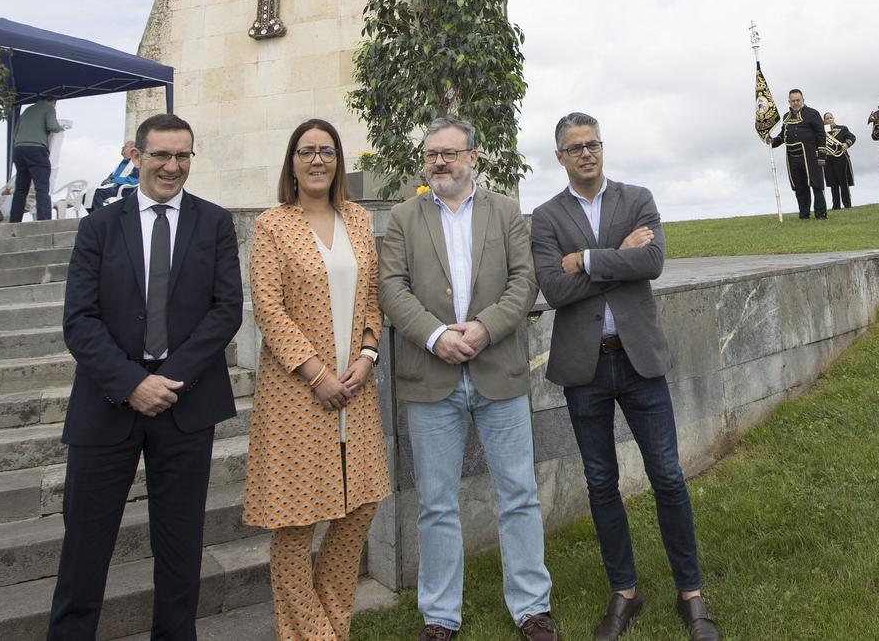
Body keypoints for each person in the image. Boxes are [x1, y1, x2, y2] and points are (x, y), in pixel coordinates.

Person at [48, 114, 243, 640]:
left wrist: (169, 379)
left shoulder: (214, 223)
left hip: (186, 405)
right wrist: (133, 383)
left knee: (180, 552)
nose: (172, 166)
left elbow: (226, 311)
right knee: (84, 551)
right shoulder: (98, 227)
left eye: (183, 156)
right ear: (137, 155)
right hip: (107, 405)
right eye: (161, 155)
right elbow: (79, 319)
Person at [531, 113, 721, 641]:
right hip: (584, 368)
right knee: (600, 483)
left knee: (667, 476)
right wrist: (619, 257)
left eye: (593, 144)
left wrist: (586, 259)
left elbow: (654, 262)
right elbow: (554, 289)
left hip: (640, 362)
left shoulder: (638, 198)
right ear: (560, 157)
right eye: (574, 148)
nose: (586, 153)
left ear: (602, 148)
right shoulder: (545, 218)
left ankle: (692, 594)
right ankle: (625, 591)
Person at [376, 120, 558, 641]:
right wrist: (436, 336)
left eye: (450, 153)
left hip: (497, 371)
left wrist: (484, 329)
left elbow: (525, 281)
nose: (439, 162)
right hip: (431, 377)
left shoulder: (504, 212)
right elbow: (392, 289)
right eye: (432, 154)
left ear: (473, 158)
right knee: (435, 503)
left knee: (519, 494)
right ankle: (440, 616)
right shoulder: (405, 217)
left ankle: (531, 608)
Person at [243, 119, 391, 641]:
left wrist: (369, 354)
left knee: (363, 503)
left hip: (357, 386)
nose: (317, 160)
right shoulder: (272, 225)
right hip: (296, 394)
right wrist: (315, 374)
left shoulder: (357, 219)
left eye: (326, 151)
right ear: (292, 161)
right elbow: (269, 308)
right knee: (294, 522)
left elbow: (372, 297)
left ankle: (332, 622)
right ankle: (310, 633)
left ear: (338, 161)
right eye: (306, 151)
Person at [766, 89, 828, 219]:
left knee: (816, 185)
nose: (795, 103)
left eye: (798, 100)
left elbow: (821, 135)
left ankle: (820, 214)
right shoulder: (786, 117)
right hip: (792, 157)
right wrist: (773, 141)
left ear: (803, 100)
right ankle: (804, 214)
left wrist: (822, 155)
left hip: (810, 155)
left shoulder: (813, 114)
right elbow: (783, 136)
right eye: (793, 100)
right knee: (799, 187)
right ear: (789, 101)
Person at [11, 98, 70, 222]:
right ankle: (44, 222)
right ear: (53, 102)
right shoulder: (49, 109)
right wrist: (61, 127)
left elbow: (15, 133)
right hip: (36, 150)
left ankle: (14, 221)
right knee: (42, 187)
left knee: (21, 189)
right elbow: (52, 126)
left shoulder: (27, 110)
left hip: (19, 149)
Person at [820, 112, 857, 210]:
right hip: (828, 158)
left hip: (840, 157)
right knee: (833, 183)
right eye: (827, 118)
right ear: (824, 121)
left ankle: (847, 204)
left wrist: (846, 144)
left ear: (834, 118)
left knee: (843, 181)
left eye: (831, 118)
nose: (829, 120)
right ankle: (836, 206)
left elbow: (852, 137)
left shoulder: (842, 128)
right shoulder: (821, 131)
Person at [91, 141, 141, 211]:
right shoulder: (123, 162)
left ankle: (99, 217)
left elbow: (134, 180)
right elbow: (112, 175)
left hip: (123, 189)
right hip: (113, 186)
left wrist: (113, 180)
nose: (122, 148)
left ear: (132, 149)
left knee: (97, 193)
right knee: (87, 195)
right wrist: (107, 180)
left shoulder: (136, 163)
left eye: (125, 146)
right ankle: (92, 216)